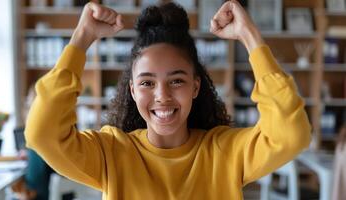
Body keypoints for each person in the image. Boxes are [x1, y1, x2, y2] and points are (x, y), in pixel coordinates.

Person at [25, 1, 311, 199]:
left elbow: (291, 134)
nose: (162, 96)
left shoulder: (224, 151)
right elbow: (42, 134)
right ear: (133, 91)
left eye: (176, 81)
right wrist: (82, 38)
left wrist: (250, 37)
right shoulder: (112, 153)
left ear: (195, 87)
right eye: (147, 82)